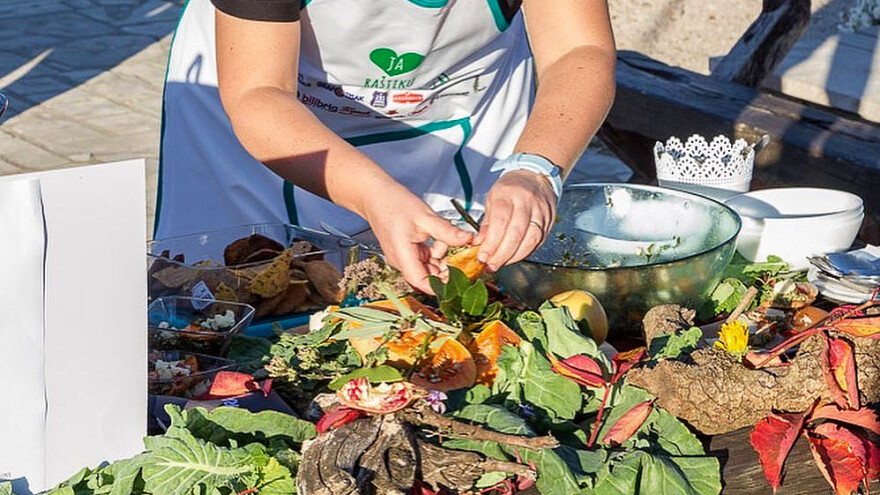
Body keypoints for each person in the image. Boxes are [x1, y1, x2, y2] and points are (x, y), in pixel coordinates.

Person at [156, 0, 616, 293]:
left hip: (461, 107)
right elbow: (259, 93)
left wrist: (534, 169)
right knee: (233, 301)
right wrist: (376, 195)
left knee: (454, 306)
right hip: (261, 110)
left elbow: (578, 51)